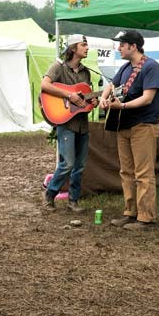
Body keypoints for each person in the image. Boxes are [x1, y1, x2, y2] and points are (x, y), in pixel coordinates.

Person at [98, 30, 159, 231]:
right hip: (124, 125)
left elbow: (148, 98)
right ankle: (130, 212)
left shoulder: (151, 67)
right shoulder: (126, 67)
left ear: (133, 46)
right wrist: (103, 97)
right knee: (126, 171)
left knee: (143, 173)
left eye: (122, 44)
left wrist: (123, 107)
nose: (118, 48)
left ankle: (146, 217)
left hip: (143, 125)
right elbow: (111, 84)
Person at [40, 34, 91, 213]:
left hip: (82, 124)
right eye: (83, 45)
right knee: (67, 164)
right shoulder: (58, 68)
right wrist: (69, 95)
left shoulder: (86, 72)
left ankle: (73, 201)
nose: (87, 48)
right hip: (66, 124)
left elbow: (86, 102)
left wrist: (91, 103)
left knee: (80, 166)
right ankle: (50, 194)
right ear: (73, 49)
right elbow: (44, 85)